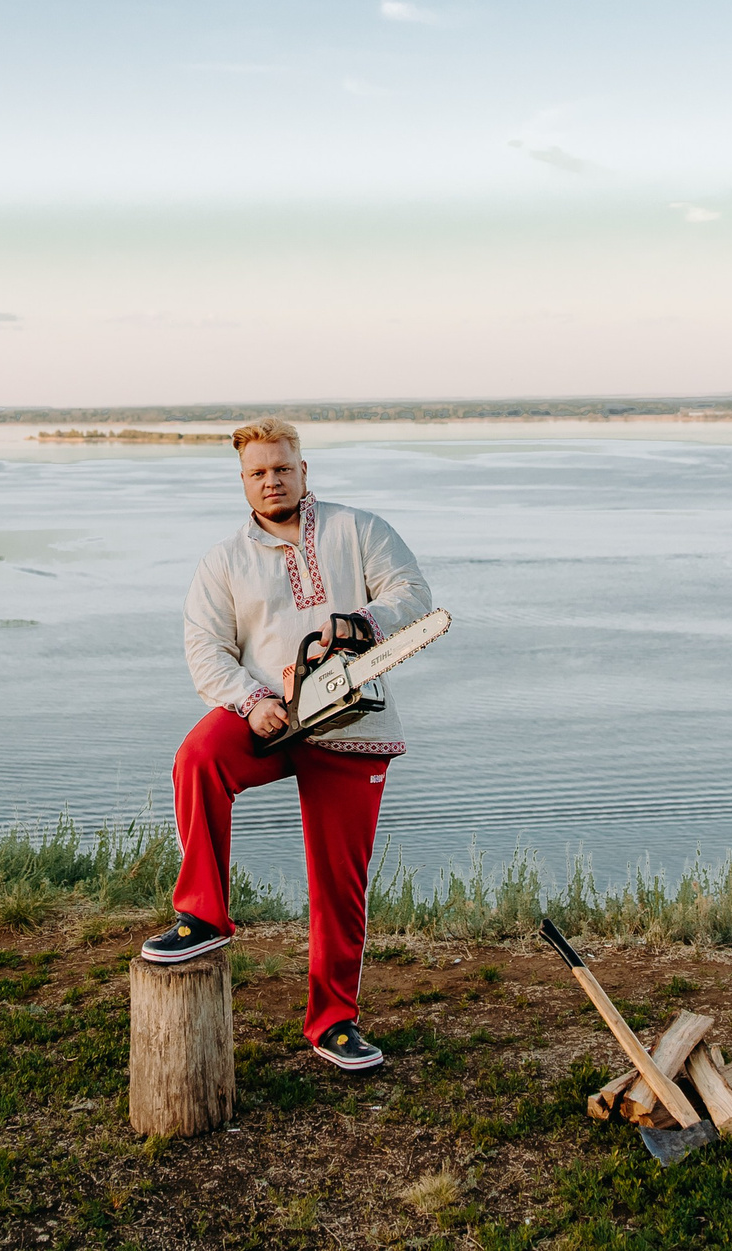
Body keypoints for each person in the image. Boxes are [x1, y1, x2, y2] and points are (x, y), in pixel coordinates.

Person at [140, 416, 435, 1073]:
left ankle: (333, 1022)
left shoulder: (358, 529)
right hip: (267, 715)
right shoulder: (224, 559)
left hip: (350, 724)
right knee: (198, 758)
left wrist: (363, 621)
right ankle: (203, 916)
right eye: (257, 472)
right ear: (243, 481)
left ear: (303, 470)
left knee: (339, 881)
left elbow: (414, 596)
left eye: (281, 468)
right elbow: (205, 649)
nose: (270, 480)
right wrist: (252, 701)